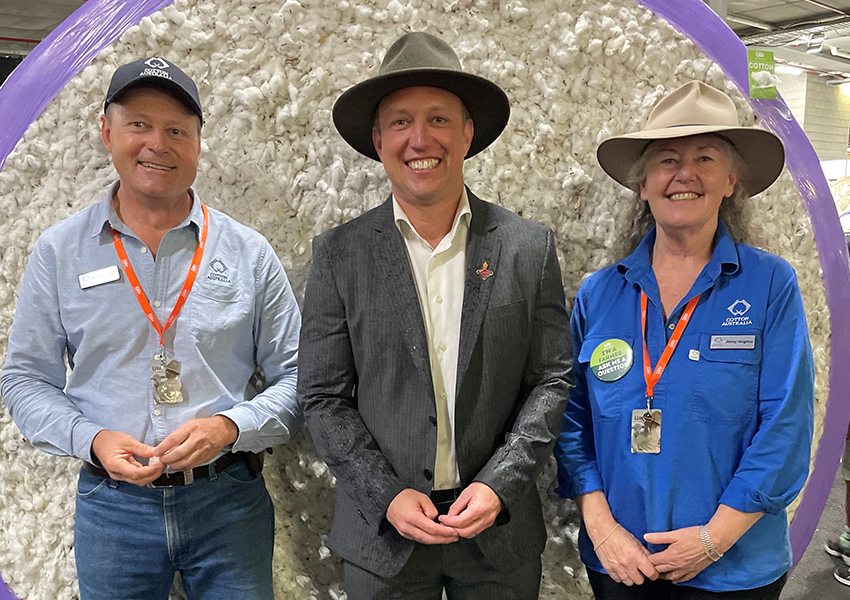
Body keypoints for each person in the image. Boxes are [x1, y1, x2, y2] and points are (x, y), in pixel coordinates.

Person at [0, 57, 302, 600]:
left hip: (229, 501)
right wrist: (91, 439)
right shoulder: (59, 252)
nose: (157, 144)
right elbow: (24, 380)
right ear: (106, 130)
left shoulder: (249, 254)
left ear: (198, 145)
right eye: (139, 124)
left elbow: (302, 378)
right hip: (112, 507)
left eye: (176, 131)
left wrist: (231, 427)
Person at [298, 32, 573, 599]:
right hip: (383, 538)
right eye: (400, 122)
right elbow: (322, 397)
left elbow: (552, 377)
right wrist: (386, 494)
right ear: (377, 140)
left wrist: (500, 484)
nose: (419, 139)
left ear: (468, 132)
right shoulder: (339, 254)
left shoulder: (527, 248)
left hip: (498, 537)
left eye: (439, 119)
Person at [554, 81, 814, 599]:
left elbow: (786, 426)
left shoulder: (770, 285)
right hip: (621, 562)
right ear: (644, 184)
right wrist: (602, 530)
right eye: (667, 159)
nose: (685, 174)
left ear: (732, 180)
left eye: (706, 158)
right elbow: (569, 418)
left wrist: (712, 541)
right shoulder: (598, 294)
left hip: (733, 568)